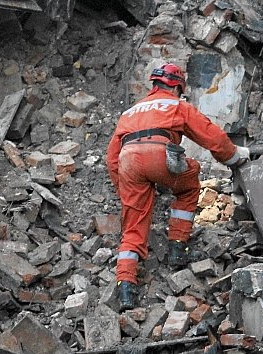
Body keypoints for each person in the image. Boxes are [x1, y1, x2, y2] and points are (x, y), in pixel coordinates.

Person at [106, 64, 249, 311]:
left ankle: (126, 286)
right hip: (159, 155)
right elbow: (212, 137)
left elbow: (111, 158)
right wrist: (234, 158)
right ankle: (177, 247)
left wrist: (125, 192)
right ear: (176, 87)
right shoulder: (176, 105)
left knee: (133, 226)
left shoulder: (130, 112)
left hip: (127, 161)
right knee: (188, 186)